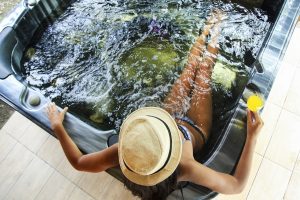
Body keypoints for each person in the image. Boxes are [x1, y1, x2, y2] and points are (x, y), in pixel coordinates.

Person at [46, 10, 264, 200]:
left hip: (169, 114)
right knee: (203, 71)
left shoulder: (127, 154)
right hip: (194, 126)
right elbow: (237, 185)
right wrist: (252, 138)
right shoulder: (186, 168)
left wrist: (58, 127)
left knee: (189, 69)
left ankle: (207, 28)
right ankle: (215, 29)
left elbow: (79, 162)